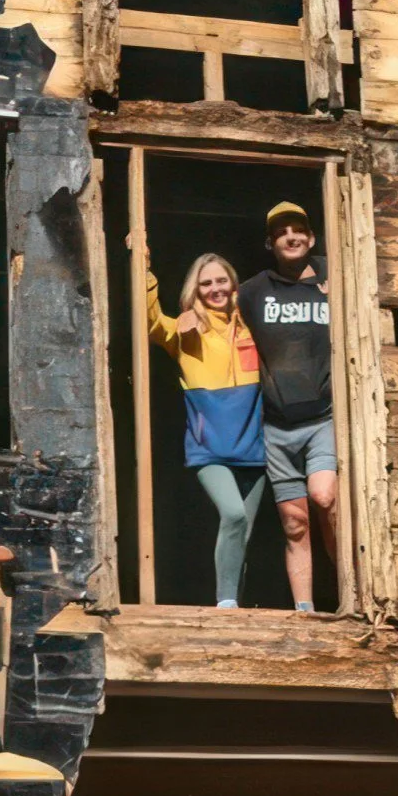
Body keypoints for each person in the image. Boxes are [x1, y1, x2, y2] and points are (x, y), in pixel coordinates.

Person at [145, 250, 265, 608]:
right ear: (194, 290)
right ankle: (225, 603)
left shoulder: (253, 326)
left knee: (243, 534)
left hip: (254, 449)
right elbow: (150, 322)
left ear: (234, 285)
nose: (215, 288)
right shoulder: (184, 331)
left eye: (221, 280)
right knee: (233, 514)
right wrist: (145, 270)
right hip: (209, 449)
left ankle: (235, 608)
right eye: (206, 283)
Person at [238, 202, 339, 612]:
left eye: (299, 230)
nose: (292, 237)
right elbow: (211, 305)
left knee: (324, 497)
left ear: (312, 238)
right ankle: (305, 612)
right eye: (282, 233)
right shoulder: (254, 290)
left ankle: (351, 591)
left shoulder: (338, 275)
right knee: (294, 524)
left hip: (323, 418)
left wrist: (339, 284)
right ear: (270, 243)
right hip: (276, 425)